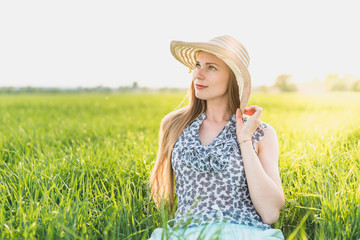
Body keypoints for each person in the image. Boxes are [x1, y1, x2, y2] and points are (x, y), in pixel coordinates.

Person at [149, 35, 285, 240]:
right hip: (184, 233)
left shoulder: (262, 133)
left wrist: (245, 140)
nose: (198, 75)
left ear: (234, 78)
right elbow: (165, 197)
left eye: (211, 67)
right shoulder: (174, 125)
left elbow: (270, 212)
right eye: (197, 65)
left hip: (244, 232)